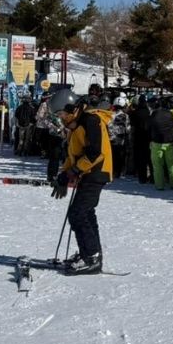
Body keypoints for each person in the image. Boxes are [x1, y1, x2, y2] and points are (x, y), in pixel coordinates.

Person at [50, 91, 113, 275]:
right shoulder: (76, 124)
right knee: (85, 213)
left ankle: (91, 257)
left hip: (97, 172)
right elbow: (73, 154)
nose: (60, 118)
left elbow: (96, 153)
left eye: (61, 114)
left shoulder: (91, 120)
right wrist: (64, 175)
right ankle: (91, 253)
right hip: (88, 173)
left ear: (71, 108)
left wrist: (74, 171)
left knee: (78, 214)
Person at [149, 96, 173, 190]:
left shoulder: (154, 114)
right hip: (170, 141)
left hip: (156, 142)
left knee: (157, 165)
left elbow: (149, 126)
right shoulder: (170, 114)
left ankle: (159, 185)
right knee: (172, 164)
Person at [130, 96, 153, 184]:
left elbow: (132, 125)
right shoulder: (149, 112)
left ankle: (142, 177)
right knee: (149, 158)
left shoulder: (135, 112)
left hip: (138, 137)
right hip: (148, 136)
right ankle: (153, 177)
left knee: (140, 158)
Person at [108, 96, 131, 180]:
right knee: (121, 157)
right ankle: (120, 173)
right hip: (121, 140)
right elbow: (128, 129)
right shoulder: (125, 116)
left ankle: (112, 172)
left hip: (110, 139)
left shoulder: (110, 115)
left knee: (112, 156)